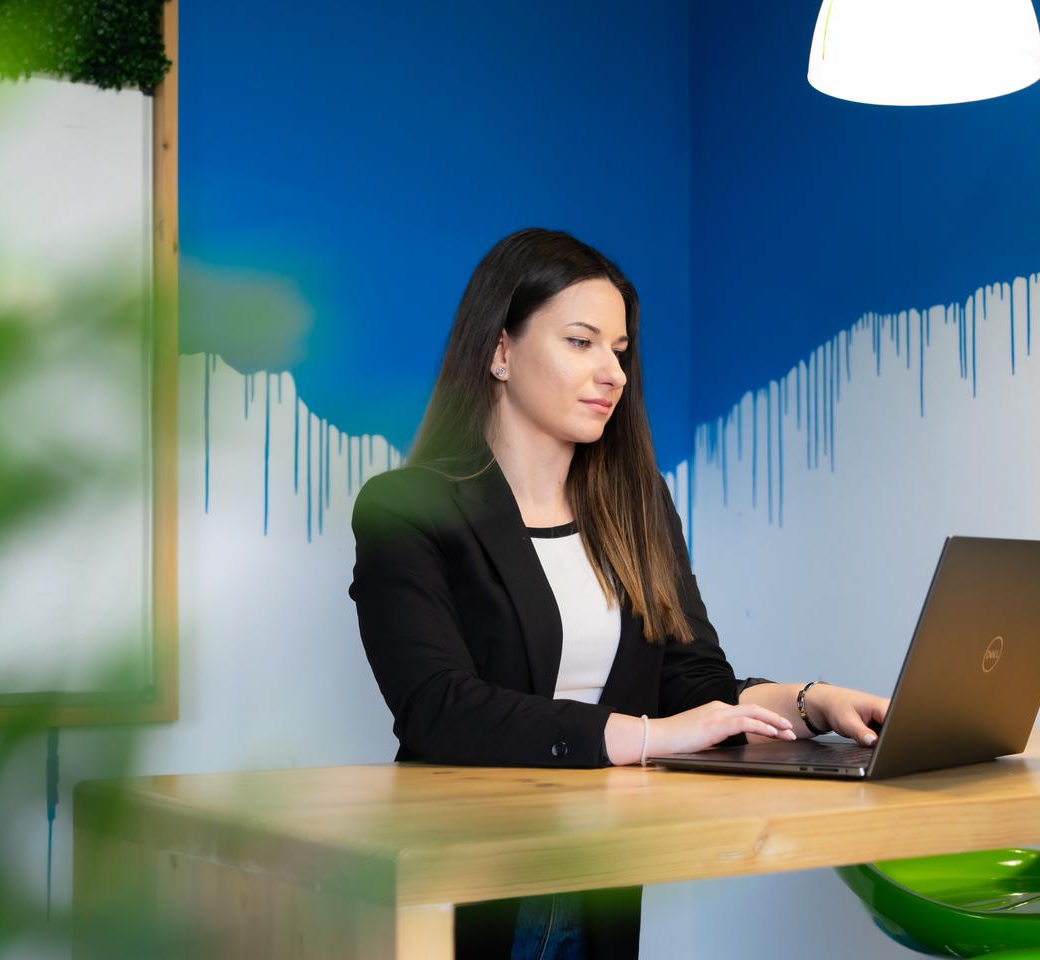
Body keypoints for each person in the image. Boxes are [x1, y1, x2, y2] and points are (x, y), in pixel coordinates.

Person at [348, 228, 889, 960]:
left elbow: (689, 685)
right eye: (581, 342)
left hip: (596, 873)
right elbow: (438, 706)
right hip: (468, 872)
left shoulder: (637, 503)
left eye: (621, 350)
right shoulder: (405, 505)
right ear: (499, 351)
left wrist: (807, 701)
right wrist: (644, 737)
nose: (613, 373)